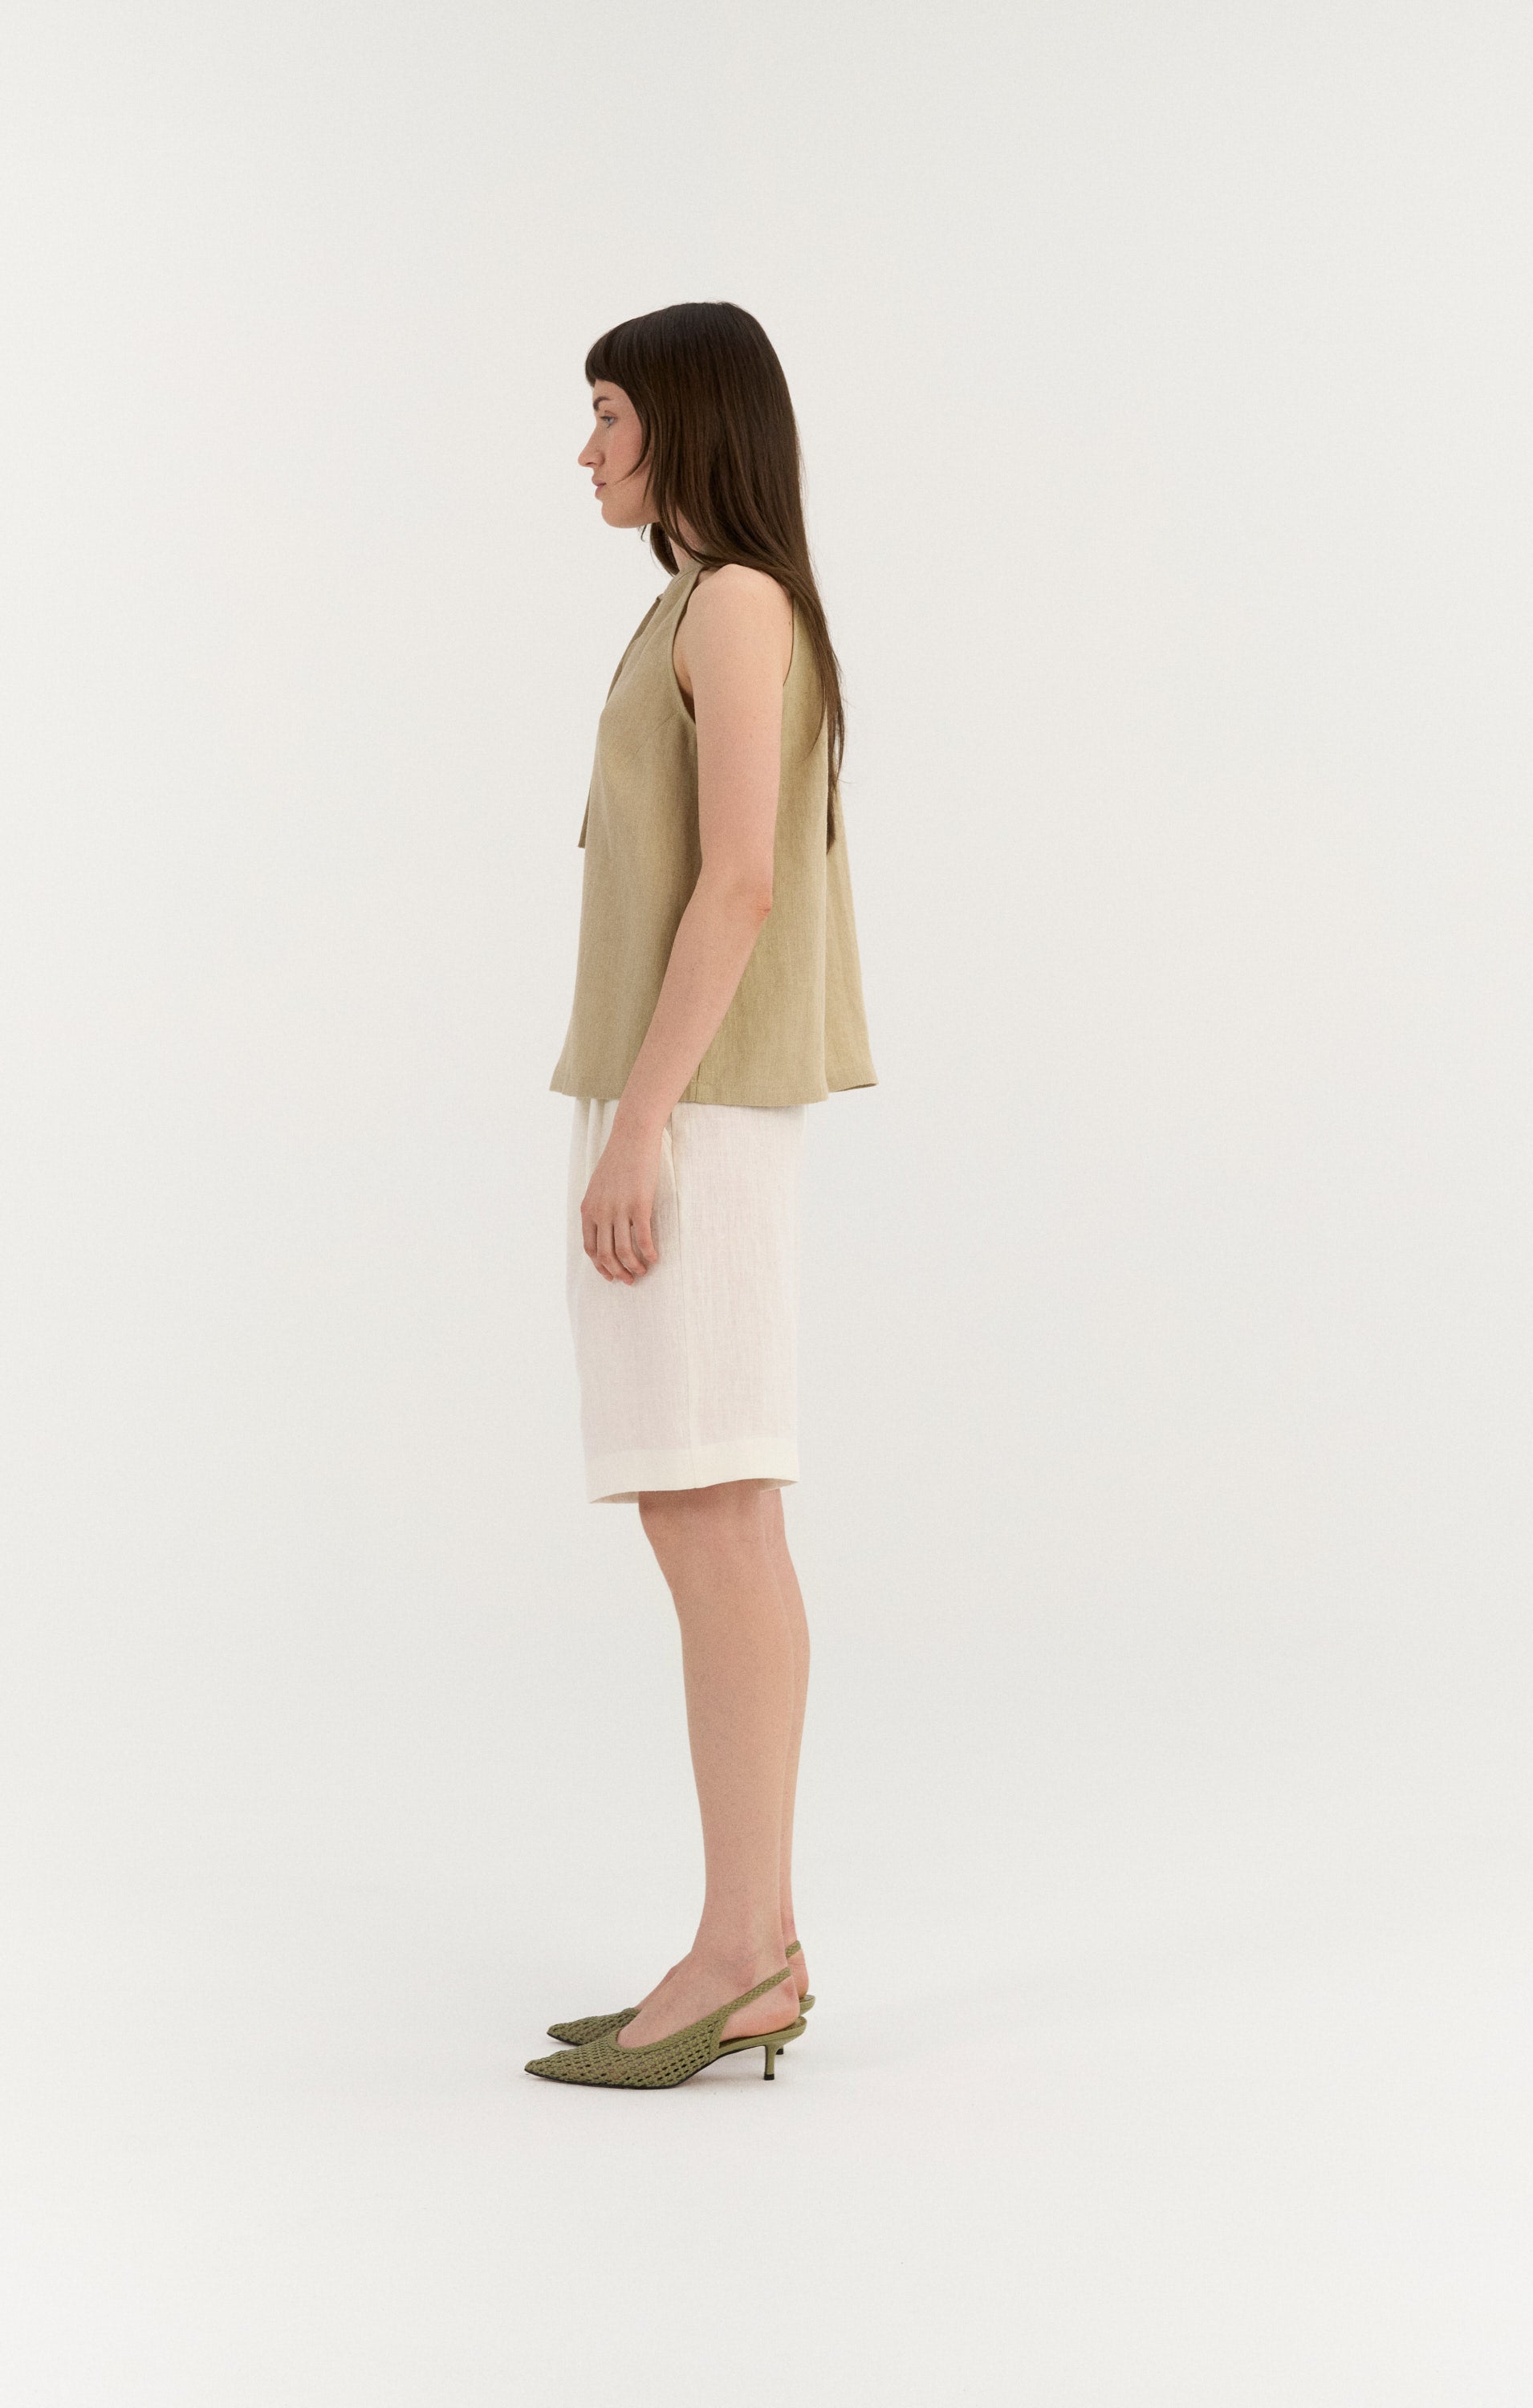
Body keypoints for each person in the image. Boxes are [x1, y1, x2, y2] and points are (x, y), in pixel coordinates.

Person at [525, 302, 876, 2090]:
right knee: (701, 1513)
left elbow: (740, 883)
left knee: (720, 1512)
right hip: (669, 1101)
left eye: (609, 414)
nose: (586, 450)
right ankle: (750, 1944)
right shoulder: (689, 605)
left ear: (684, 422)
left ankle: (744, 1953)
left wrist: (642, 1126)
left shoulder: (734, 603)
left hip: (701, 1114)